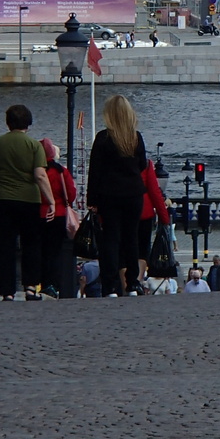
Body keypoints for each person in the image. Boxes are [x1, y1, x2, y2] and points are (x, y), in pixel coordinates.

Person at [0, 104, 55, 301]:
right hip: (29, 200)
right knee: (31, 244)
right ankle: (30, 287)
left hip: (1, 199)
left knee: (4, 246)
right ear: (28, 123)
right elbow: (40, 175)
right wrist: (51, 200)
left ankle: (7, 291)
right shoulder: (34, 145)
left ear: (8, 122)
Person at [87, 94, 149, 298]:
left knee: (111, 239)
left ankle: (111, 285)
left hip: (109, 194)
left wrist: (92, 200)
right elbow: (142, 165)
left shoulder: (103, 138)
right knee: (131, 238)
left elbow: (94, 171)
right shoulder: (135, 137)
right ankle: (132, 283)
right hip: (133, 194)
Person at [39, 138, 77, 299]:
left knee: (40, 251)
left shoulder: (35, 171)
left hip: (39, 214)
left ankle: (40, 282)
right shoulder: (61, 171)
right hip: (59, 215)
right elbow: (71, 194)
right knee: (56, 253)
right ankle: (53, 284)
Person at [136, 157, 172, 292]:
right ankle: (137, 282)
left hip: (120, 212)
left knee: (123, 250)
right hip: (144, 211)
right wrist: (164, 217)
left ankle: (123, 284)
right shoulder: (145, 163)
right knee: (142, 251)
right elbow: (154, 191)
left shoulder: (115, 160)